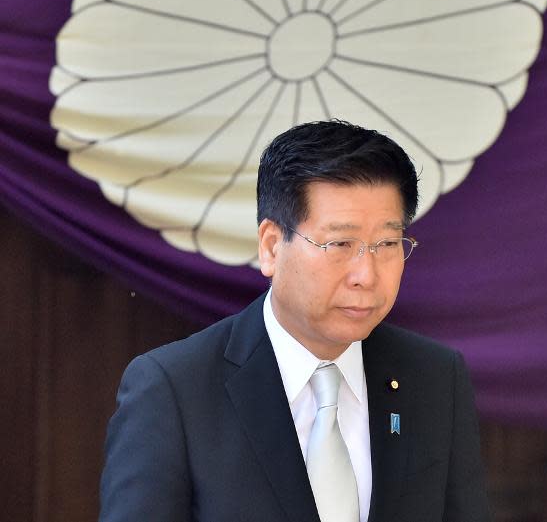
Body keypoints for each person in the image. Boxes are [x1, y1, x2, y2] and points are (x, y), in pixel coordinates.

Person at [99, 120, 490, 522]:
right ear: (271, 246)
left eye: (387, 244)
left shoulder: (434, 378)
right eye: (340, 244)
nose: (367, 275)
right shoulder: (174, 389)